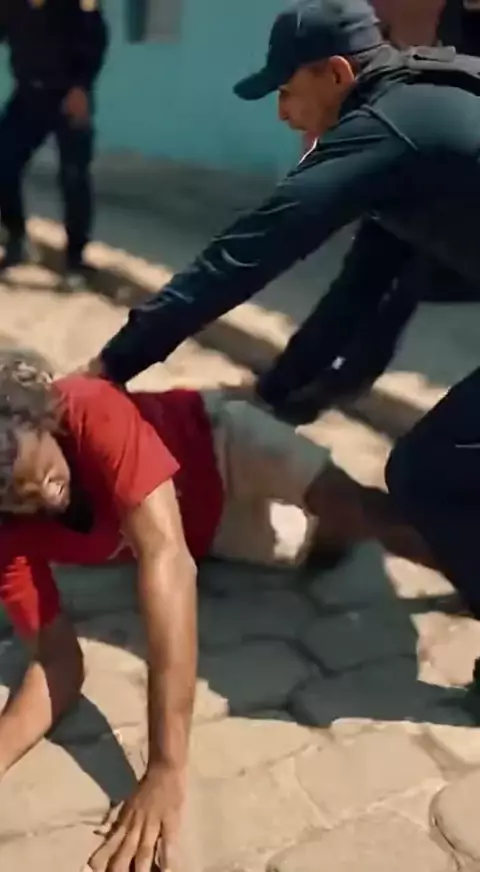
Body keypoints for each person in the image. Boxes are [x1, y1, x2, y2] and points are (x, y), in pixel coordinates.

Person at [0, 349, 429, 872]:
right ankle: (330, 532)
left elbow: (166, 560)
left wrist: (165, 768)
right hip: (215, 535)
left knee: (368, 515)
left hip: (221, 446)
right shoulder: (8, 531)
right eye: (20, 498)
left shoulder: (86, 407)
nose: (46, 500)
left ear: (38, 419)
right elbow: (56, 662)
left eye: (43, 472)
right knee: (321, 550)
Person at [87, 0, 480, 425]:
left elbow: (249, 250)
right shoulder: (420, 98)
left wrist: (111, 366)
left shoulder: (382, 127)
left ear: (337, 74)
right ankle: (288, 393)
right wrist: (278, 393)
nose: (282, 113)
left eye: (287, 92)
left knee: (428, 461)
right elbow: (363, 283)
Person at [0, 0, 108, 286]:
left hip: (70, 98)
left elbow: (96, 38)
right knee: (3, 163)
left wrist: (82, 87)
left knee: (74, 176)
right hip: (28, 96)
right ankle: (16, 240)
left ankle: (75, 260)